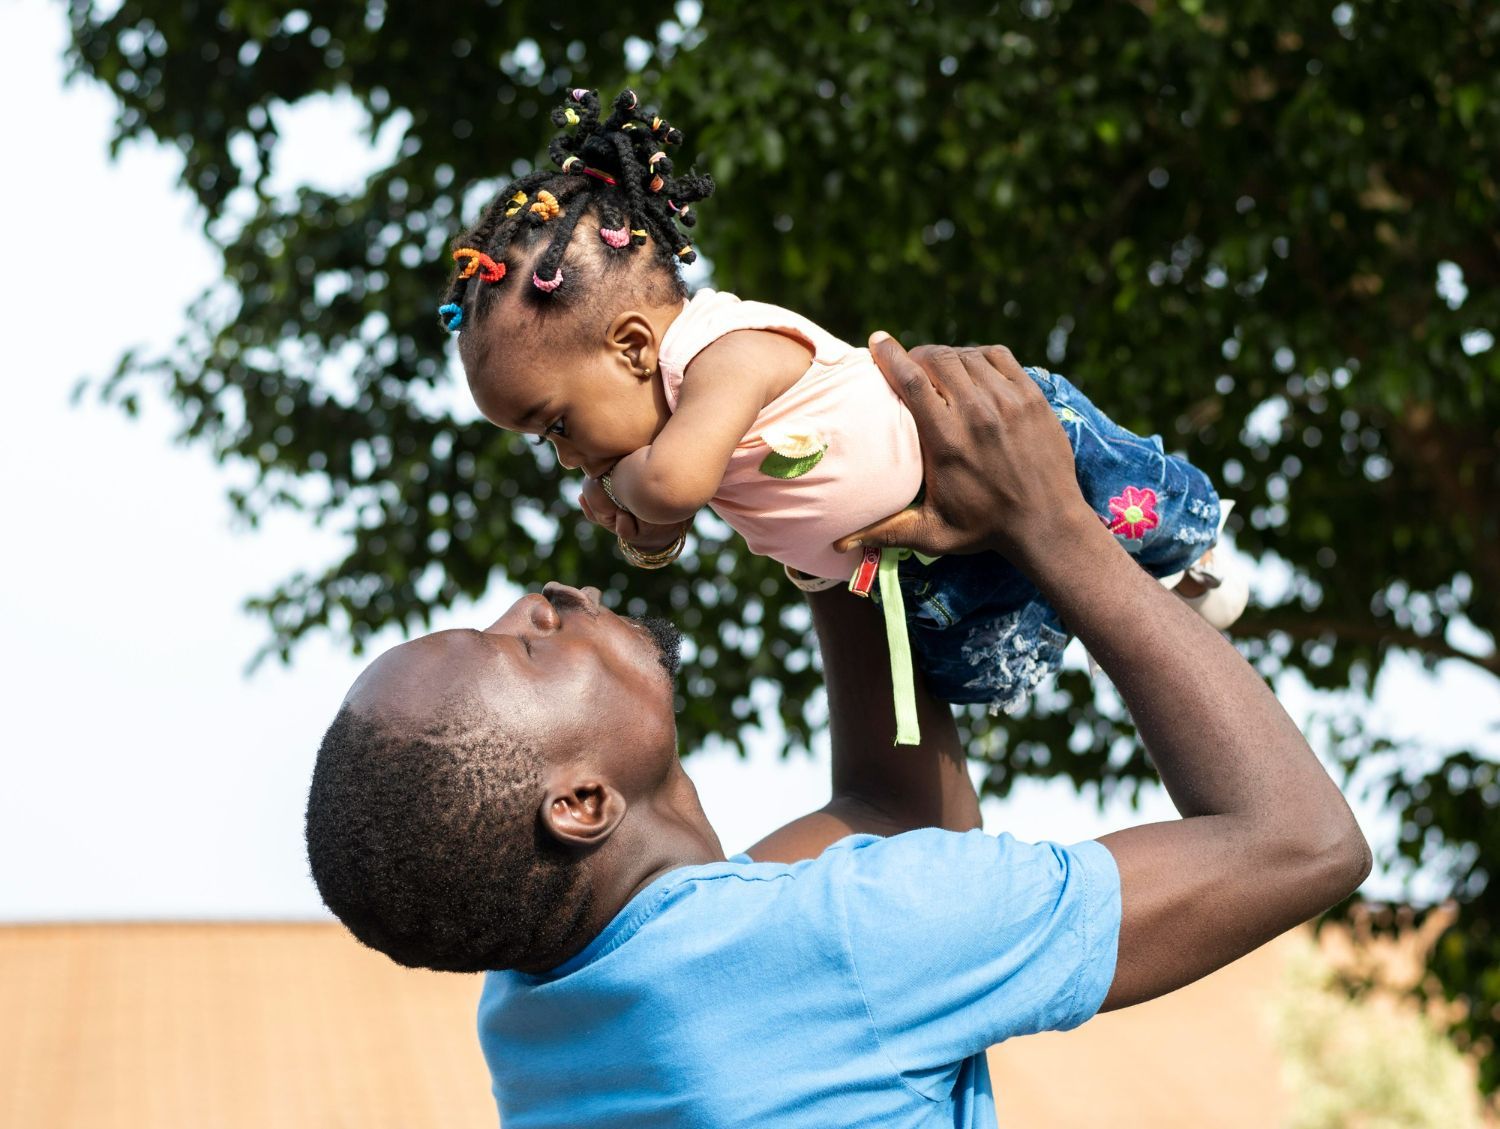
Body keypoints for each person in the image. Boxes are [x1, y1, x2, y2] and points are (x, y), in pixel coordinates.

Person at [304, 337, 1371, 1128]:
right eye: (522, 648)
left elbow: (895, 818)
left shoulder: (540, 1010)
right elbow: (1298, 841)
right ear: (580, 803)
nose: (537, 598)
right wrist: (1053, 524)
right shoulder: (840, 944)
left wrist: (816, 514)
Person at [435, 87, 1247, 743]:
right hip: (915, 553)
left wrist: (629, 492)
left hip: (992, 436)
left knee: (1132, 507)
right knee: (977, 664)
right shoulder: (675, 418)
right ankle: (1144, 599)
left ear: (635, 346)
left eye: (556, 424)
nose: (566, 455)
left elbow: (677, 483)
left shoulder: (724, 351)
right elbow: (682, 503)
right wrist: (650, 538)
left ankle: (1187, 551)